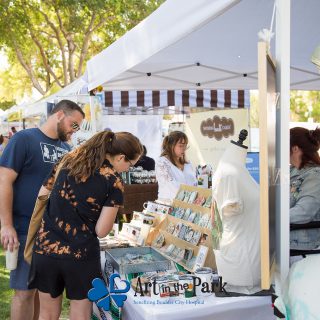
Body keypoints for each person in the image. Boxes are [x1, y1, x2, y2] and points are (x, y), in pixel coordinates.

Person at [28, 131, 143, 319]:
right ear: (121, 157)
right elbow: (101, 230)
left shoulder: (67, 161)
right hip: (80, 255)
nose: (128, 169)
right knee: (80, 315)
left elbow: (42, 194)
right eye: (130, 164)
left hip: (46, 249)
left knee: (47, 314)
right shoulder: (114, 181)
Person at [0, 99, 85, 320]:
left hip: (54, 233)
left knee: (41, 291)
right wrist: (6, 225)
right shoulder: (24, 139)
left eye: (78, 127)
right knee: (24, 292)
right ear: (59, 115)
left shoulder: (68, 149)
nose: (74, 131)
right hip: (24, 228)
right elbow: (4, 180)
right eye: (73, 124)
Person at [211, 130, 261, 294]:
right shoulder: (230, 174)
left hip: (247, 255)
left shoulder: (237, 169)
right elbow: (229, 213)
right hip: (242, 261)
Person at [290, 127, 320, 254]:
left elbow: (304, 212)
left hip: (302, 249)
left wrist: (271, 217)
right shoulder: (292, 171)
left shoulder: (315, 175)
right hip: (287, 244)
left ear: (295, 148)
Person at [155, 131, 197, 202]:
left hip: (187, 204)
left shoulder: (187, 164)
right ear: (171, 146)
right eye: (180, 146)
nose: (184, 149)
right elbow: (171, 186)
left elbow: (194, 183)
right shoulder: (162, 162)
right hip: (168, 204)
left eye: (185, 145)